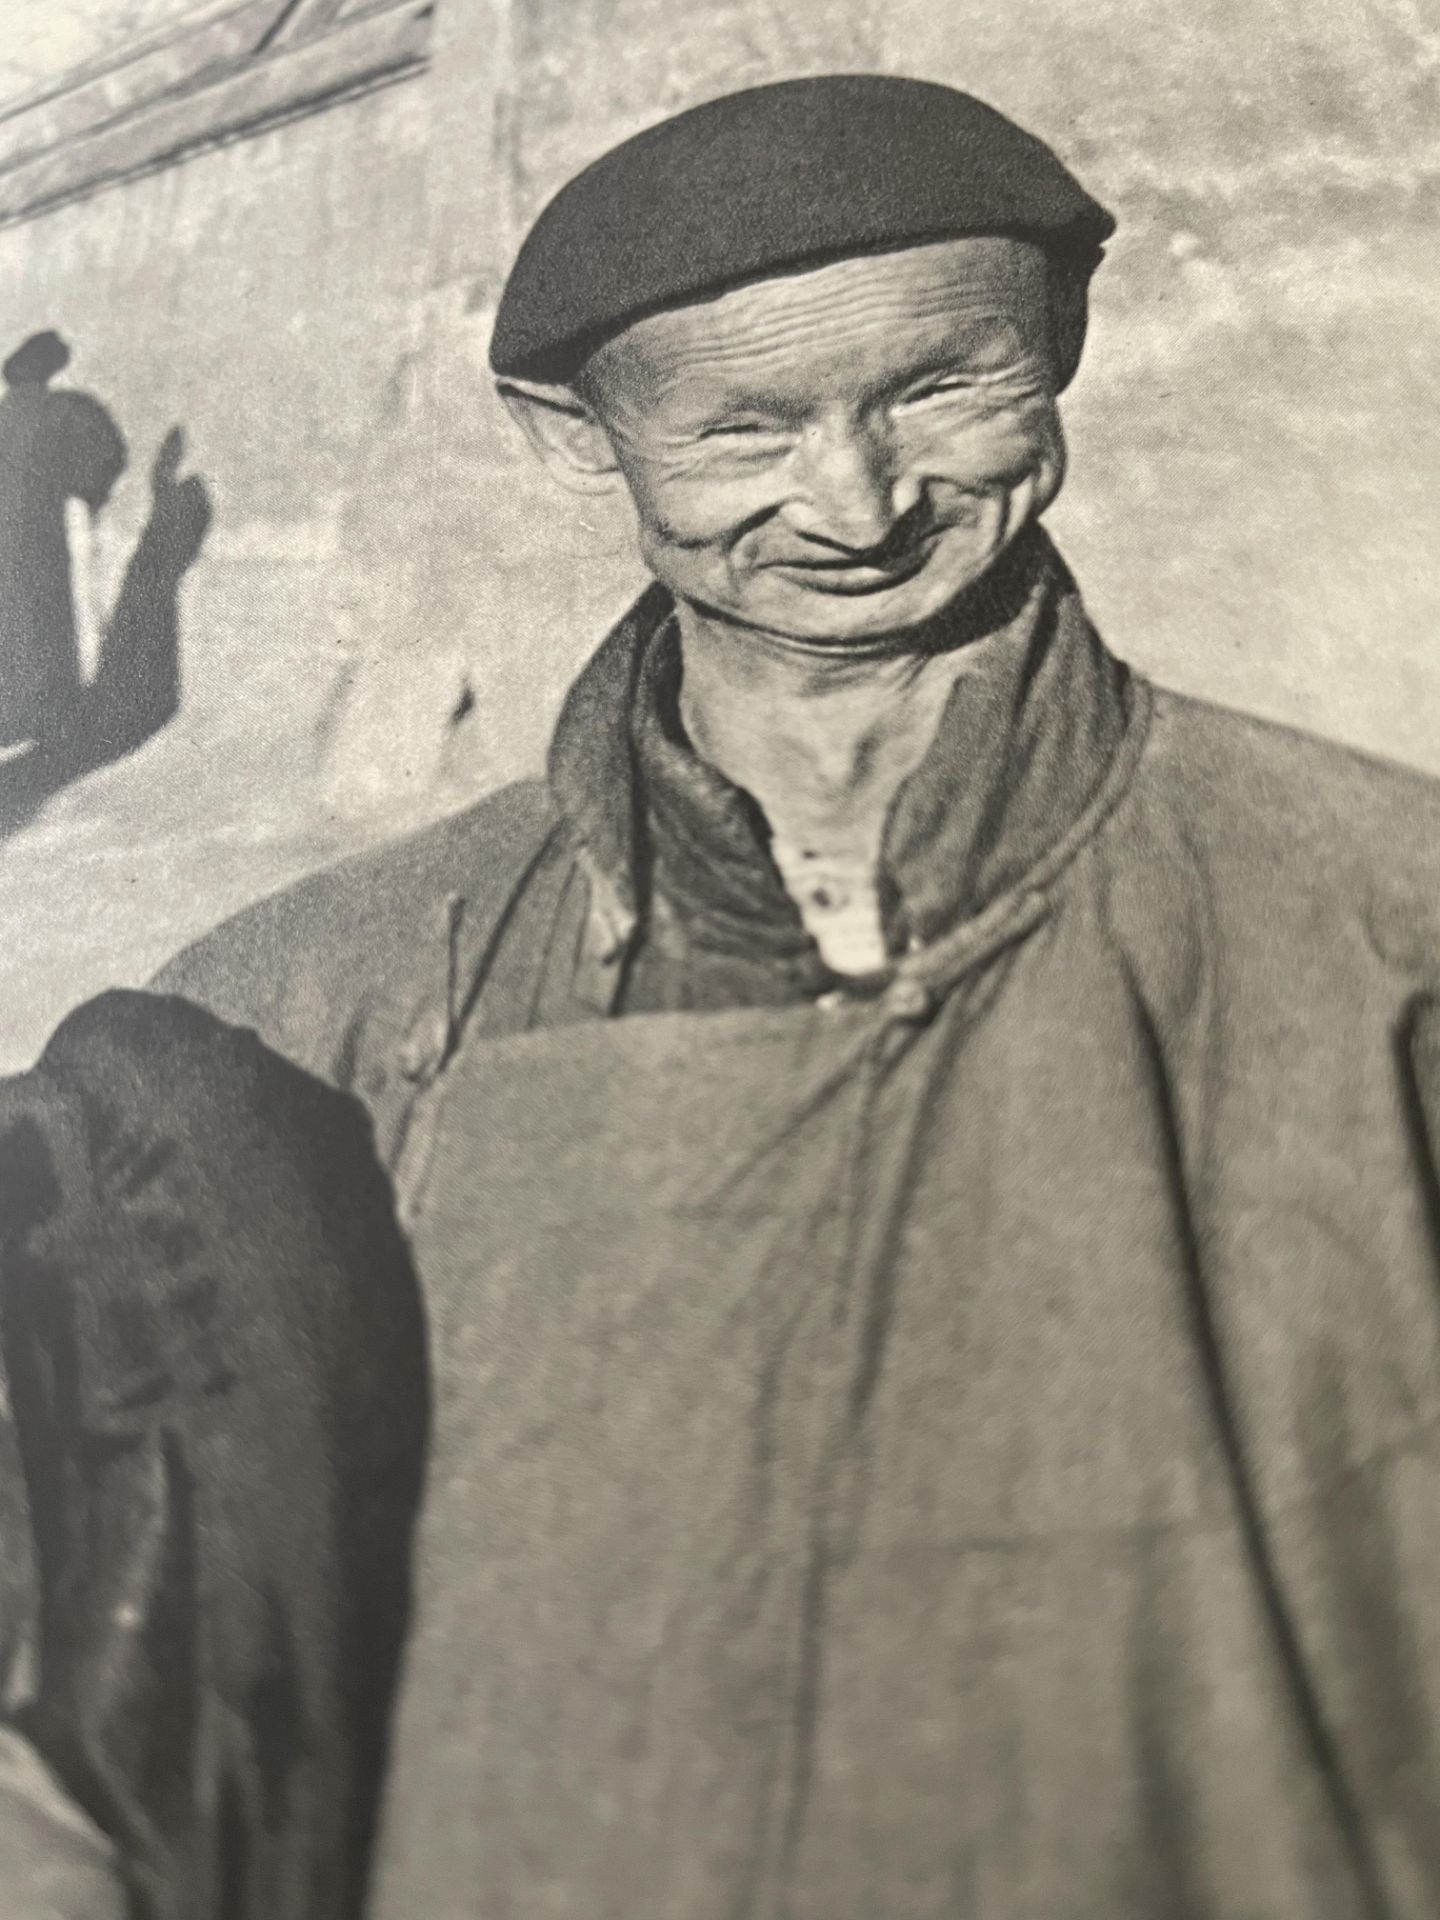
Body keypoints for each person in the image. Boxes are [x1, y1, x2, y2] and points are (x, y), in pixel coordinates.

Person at [5, 71, 1440, 1920]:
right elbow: (99, 1601)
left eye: (941, 387)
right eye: (743, 425)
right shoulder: (295, 1019)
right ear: (568, 438)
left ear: (1061, 346)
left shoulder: (1378, 918)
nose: (854, 499)